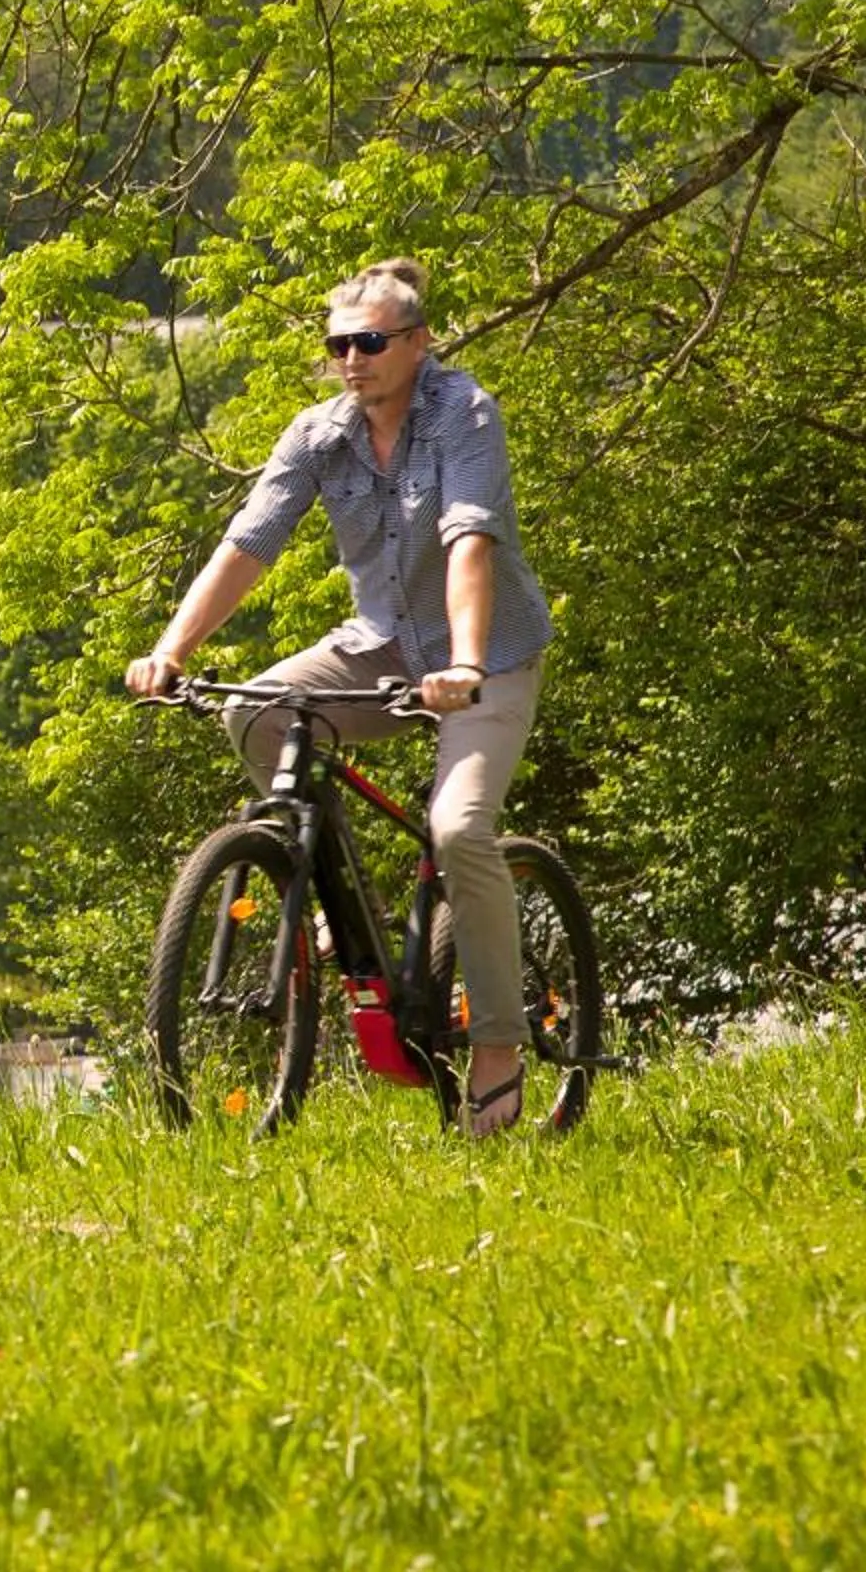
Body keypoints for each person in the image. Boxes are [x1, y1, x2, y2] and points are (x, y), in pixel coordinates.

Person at [124, 259, 553, 1137]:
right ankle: (329, 893)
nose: (351, 359)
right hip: (380, 647)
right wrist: (172, 650)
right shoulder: (319, 434)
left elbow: (468, 543)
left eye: (370, 342)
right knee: (255, 707)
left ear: (418, 343)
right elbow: (249, 543)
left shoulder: (463, 414)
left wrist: (464, 665)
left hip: (489, 656)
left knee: (460, 828)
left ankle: (500, 1051)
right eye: (337, 345)